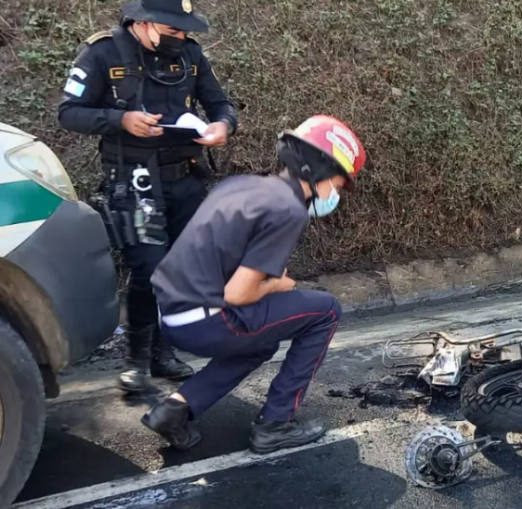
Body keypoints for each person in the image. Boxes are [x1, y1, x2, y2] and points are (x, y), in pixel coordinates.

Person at [140, 116, 366, 454]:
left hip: (170, 314)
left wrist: (266, 281)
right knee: (327, 311)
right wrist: (277, 285)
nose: (336, 192)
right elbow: (238, 293)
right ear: (321, 169)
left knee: (262, 342)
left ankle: (174, 410)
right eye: (338, 182)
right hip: (204, 320)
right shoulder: (288, 209)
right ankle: (275, 424)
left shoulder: (242, 185)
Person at [58, 0, 239, 392]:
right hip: (134, 182)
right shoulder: (103, 53)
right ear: (142, 22)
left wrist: (223, 125)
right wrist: (121, 120)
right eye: (173, 30)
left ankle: (164, 353)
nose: (181, 37)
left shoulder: (190, 54)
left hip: (186, 178)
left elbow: (220, 103)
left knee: (179, 269)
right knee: (149, 270)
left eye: (184, 30)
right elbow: (69, 112)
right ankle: (137, 360)